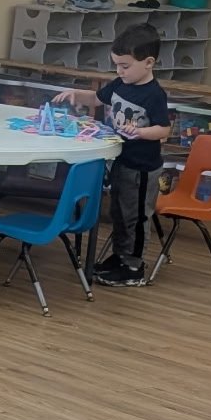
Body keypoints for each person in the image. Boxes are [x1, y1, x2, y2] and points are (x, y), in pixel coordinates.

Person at [53, 23, 172, 287]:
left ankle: (134, 266)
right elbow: (96, 98)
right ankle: (120, 257)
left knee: (136, 216)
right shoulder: (120, 84)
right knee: (118, 212)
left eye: (125, 65)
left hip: (143, 168)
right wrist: (76, 94)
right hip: (122, 161)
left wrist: (141, 132)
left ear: (149, 62)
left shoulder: (154, 95)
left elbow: (164, 129)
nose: (119, 71)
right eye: (117, 65)